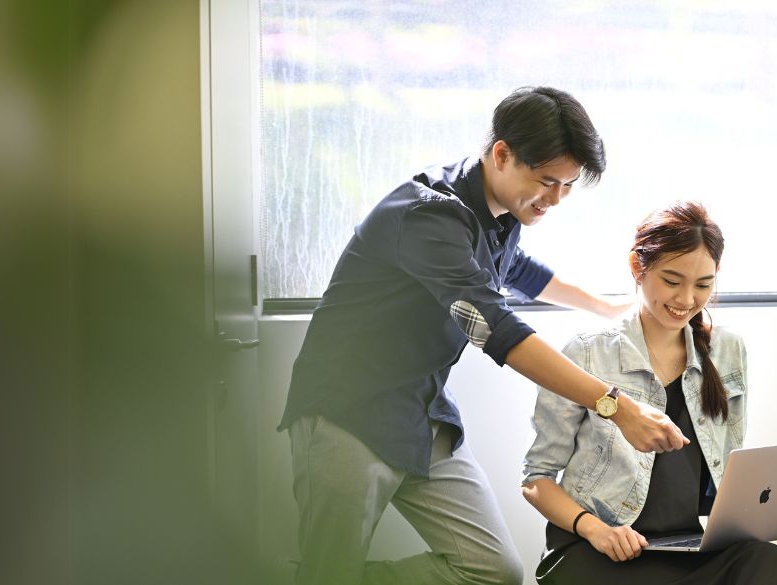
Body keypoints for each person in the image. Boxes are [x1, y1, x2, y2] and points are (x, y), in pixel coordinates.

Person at [278, 86, 689, 585]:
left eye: (567, 185)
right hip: (349, 410)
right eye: (547, 182)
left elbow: (518, 269)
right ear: (502, 154)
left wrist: (609, 306)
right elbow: (497, 328)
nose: (556, 199)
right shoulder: (428, 216)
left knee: (494, 572)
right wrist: (616, 405)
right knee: (330, 571)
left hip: (424, 415)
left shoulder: (500, 211)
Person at [521, 201, 777, 585]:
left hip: (687, 548)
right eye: (672, 280)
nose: (686, 300)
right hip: (597, 547)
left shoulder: (728, 351)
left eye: (703, 285)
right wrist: (596, 530)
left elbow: (730, 469)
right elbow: (536, 477)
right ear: (637, 267)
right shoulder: (588, 352)